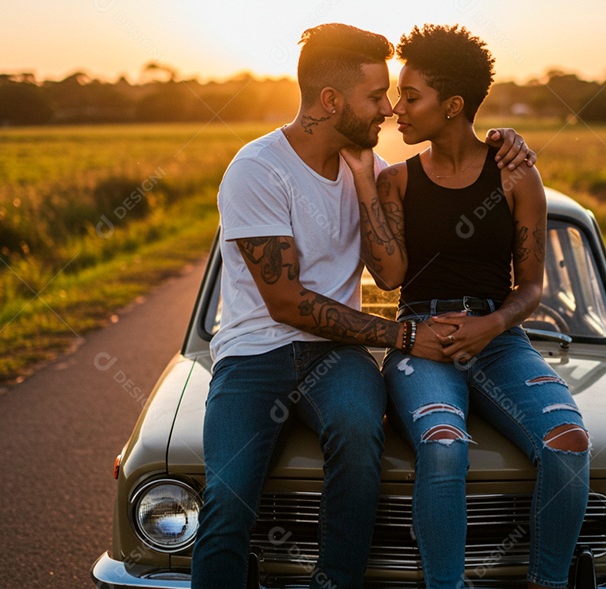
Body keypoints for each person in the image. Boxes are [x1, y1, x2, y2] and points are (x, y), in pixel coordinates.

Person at [194, 23, 535, 589]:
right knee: (227, 497)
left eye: (394, 96)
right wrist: (400, 337)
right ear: (331, 101)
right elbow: (285, 302)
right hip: (253, 355)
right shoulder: (256, 169)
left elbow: (394, 266)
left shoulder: (373, 171)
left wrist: (500, 137)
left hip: (337, 355)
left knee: (358, 448)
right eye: (377, 97)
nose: (388, 110)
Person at [340, 24, 591, 589]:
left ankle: (544, 583)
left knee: (569, 442)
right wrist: (363, 184)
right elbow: (391, 274)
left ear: (453, 106)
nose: (396, 110)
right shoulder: (397, 180)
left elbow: (530, 286)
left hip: (499, 337)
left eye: (411, 96)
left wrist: (490, 325)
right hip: (420, 341)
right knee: (445, 447)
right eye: (398, 96)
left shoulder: (516, 175)